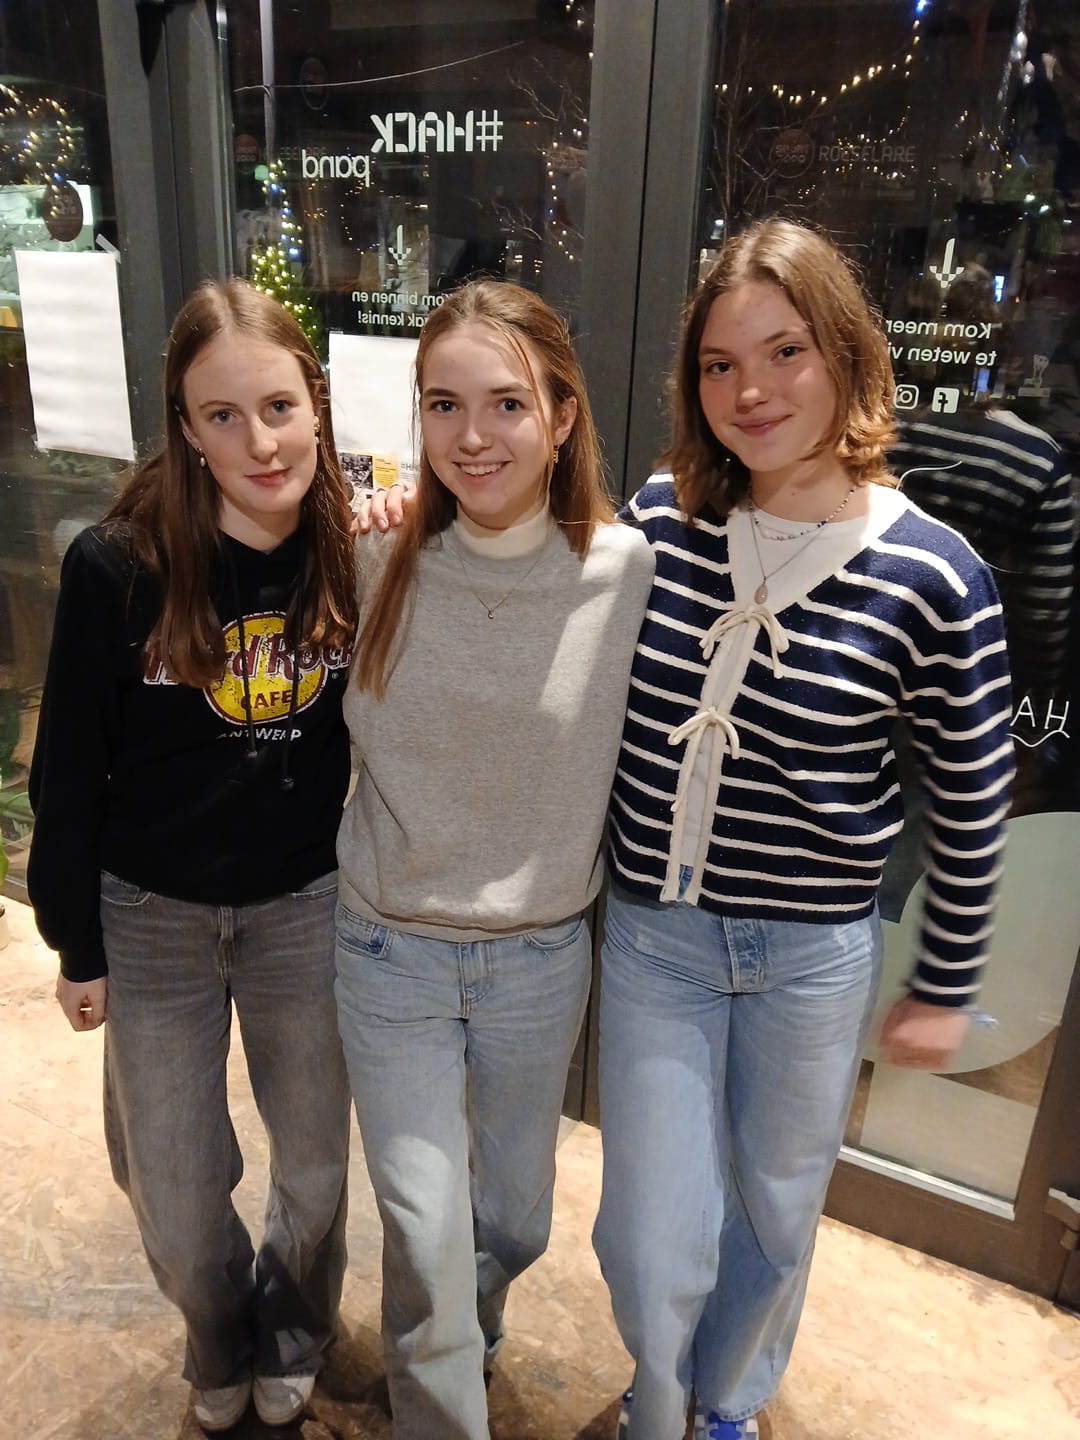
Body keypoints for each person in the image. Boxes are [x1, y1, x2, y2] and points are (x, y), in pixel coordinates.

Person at [592, 220, 1015, 1439]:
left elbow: (971, 794)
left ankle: (720, 1405)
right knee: (649, 1226)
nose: (752, 392)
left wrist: (945, 980)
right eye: (720, 365)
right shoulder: (664, 515)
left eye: (785, 352)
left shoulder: (935, 575)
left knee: (775, 1210)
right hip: (658, 940)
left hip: (810, 955)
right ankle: (659, 1393)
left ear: (845, 353)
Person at [27, 280, 358, 1434]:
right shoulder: (117, 567)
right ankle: (219, 1334)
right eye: (223, 415)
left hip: (304, 908)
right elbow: (67, 768)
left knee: (316, 1168)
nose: (259, 442)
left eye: (279, 407)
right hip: (151, 914)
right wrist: (73, 942)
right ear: (184, 426)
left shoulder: (352, 551)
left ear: (316, 405)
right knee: (169, 1187)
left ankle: (295, 1330)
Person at [333, 279, 655, 1440]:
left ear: (563, 417)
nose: (473, 436)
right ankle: (440, 1382)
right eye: (444, 405)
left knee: (512, 1222)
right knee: (424, 1229)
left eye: (508, 404)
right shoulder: (374, 554)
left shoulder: (629, 571)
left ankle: (459, 1336)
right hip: (390, 951)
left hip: (538, 960)